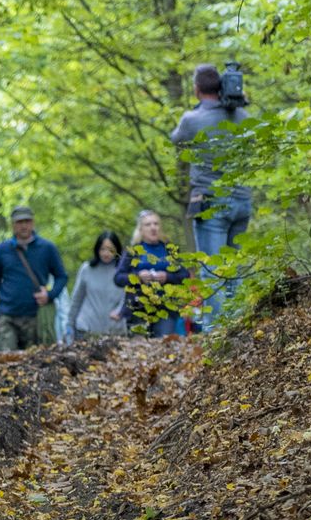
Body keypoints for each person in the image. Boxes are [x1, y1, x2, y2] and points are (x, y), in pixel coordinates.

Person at [171, 64, 253, 318]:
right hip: (242, 200)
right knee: (235, 267)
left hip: (211, 203)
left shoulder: (192, 120)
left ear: (197, 89)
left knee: (212, 270)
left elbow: (176, 139)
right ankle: (238, 328)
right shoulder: (242, 117)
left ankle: (216, 334)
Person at [0, 206, 68, 350]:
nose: (23, 225)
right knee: (6, 361)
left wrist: (50, 295)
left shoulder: (47, 248)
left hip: (35, 317)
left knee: (33, 363)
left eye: (27, 221)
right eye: (19, 222)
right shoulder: (2, 250)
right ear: (13, 225)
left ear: (33, 223)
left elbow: (62, 276)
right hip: (7, 315)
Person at [114, 209, 188, 338]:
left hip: (166, 308)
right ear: (141, 229)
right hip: (138, 308)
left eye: (156, 224)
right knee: (139, 350)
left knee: (163, 347)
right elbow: (118, 278)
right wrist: (138, 277)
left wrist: (167, 277)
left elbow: (184, 275)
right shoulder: (133, 251)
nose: (153, 228)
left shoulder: (169, 250)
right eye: (148, 225)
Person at [61, 230, 130, 343]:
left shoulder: (123, 273)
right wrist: (69, 326)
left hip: (115, 332)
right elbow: (76, 300)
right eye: (102, 249)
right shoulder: (87, 269)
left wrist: (120, 311)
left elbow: (129, 297)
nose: (106, 253)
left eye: (110, 249)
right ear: (97, 249)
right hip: (86, 330)